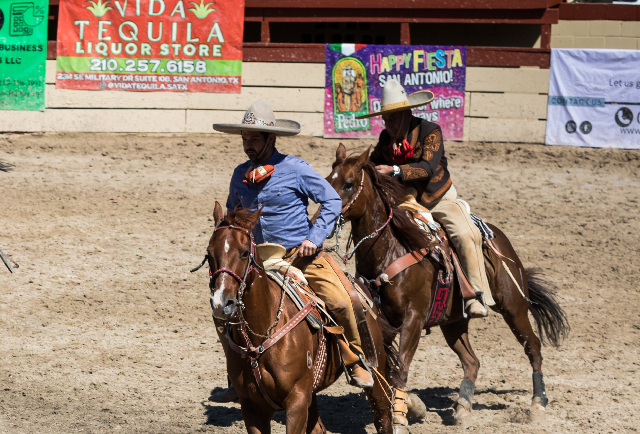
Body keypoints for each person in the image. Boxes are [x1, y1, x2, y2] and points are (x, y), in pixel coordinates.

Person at [208, 101, 373, 404]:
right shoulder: (239, 175)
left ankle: (355, 358)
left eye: (254, 138)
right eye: (245, 138)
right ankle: (235, 377)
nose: (248, 145)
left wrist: (315, 236)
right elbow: (233, 215)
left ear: (271, 139)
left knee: (343, 298)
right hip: (257, 262)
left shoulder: (295, 168)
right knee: (222, 308)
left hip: (302, 256)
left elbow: (332, 201)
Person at [359, 79, 494, 317]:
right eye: (385, 119)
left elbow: (428, 168)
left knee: (464, 234)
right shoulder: (384, 138)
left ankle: (476, 295)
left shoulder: (430, 131)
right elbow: (372, 164)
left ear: (405, 114)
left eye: (392, 118)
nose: (387, 124)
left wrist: (394, 171)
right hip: (405, 199)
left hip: (438, 196)